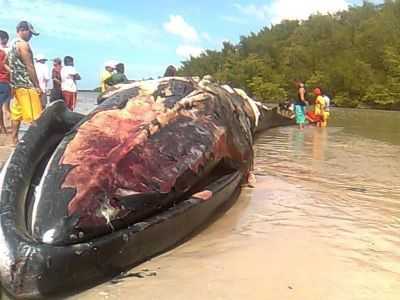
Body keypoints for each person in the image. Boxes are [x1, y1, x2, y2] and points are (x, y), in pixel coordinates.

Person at [8, 21, 43, 145]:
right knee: (36, 116)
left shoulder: (12, 44)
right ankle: (36, 144)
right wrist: (37, 86)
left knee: (16, 114)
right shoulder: (23, 45)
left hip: (16, 85)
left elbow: (8, 64)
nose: (31, 36)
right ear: (23, 30)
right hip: (26, 85)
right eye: (30, 33)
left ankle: (14, 140)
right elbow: (30, 66)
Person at [0, 30, 11, 133]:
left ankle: (3, 127)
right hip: (6, 81)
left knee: (3, 106)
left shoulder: (6, 51)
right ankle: (7, 128)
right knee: (6, 107)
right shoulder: (8, 51)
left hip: (5, 81)